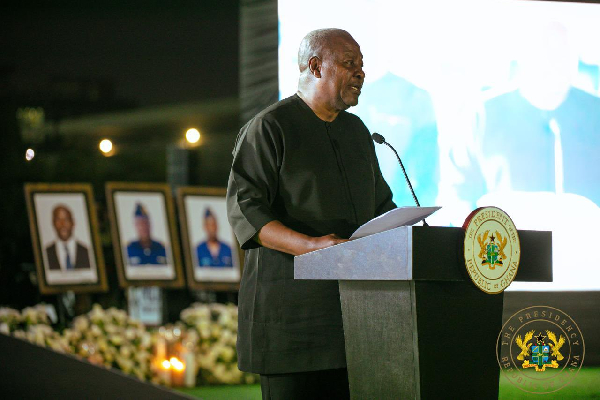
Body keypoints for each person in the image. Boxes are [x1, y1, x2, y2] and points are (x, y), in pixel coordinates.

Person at [226, 28, 396, 399]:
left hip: (355, 319)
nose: (361, 72)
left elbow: (382, 206)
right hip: (291, 320)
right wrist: (310, 247)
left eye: (361, 64)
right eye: (349, 63)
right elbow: (247, 209)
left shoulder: (356, 132)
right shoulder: (269, 127)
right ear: (316, 66)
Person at [45, 204, 91, 270]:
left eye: (66, 219)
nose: (62, 224)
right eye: (58, 220)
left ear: (73, 222)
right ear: (53, 223)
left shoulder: (87, 252)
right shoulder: (46, 253)